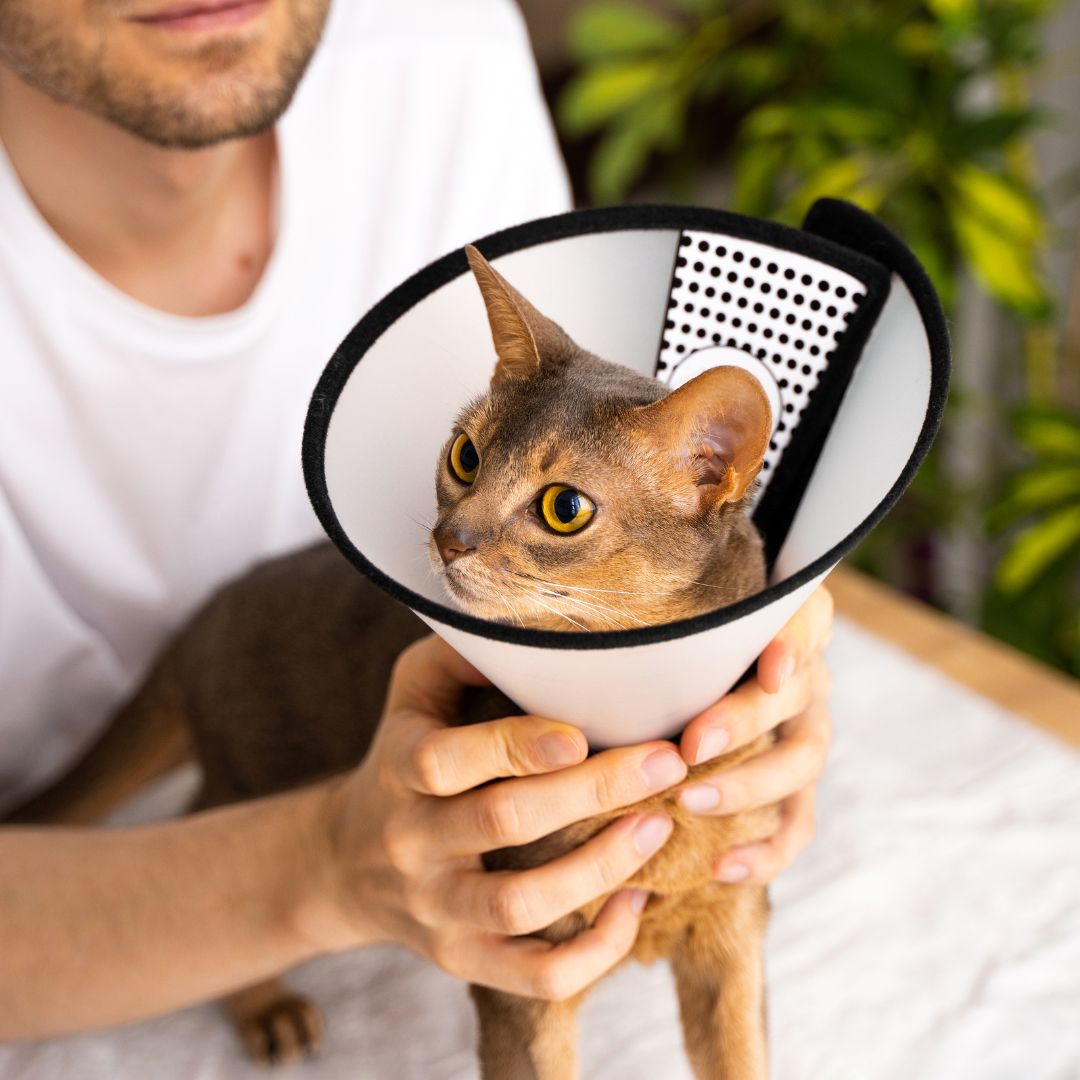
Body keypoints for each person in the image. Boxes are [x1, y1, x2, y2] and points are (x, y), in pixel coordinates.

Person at [0, 0, 833, 1042]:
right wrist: (316, 868)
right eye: (467, 461)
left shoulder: (443, 44)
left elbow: (606, 433)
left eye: (554, 507)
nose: (455, 537)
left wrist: (770, 638)